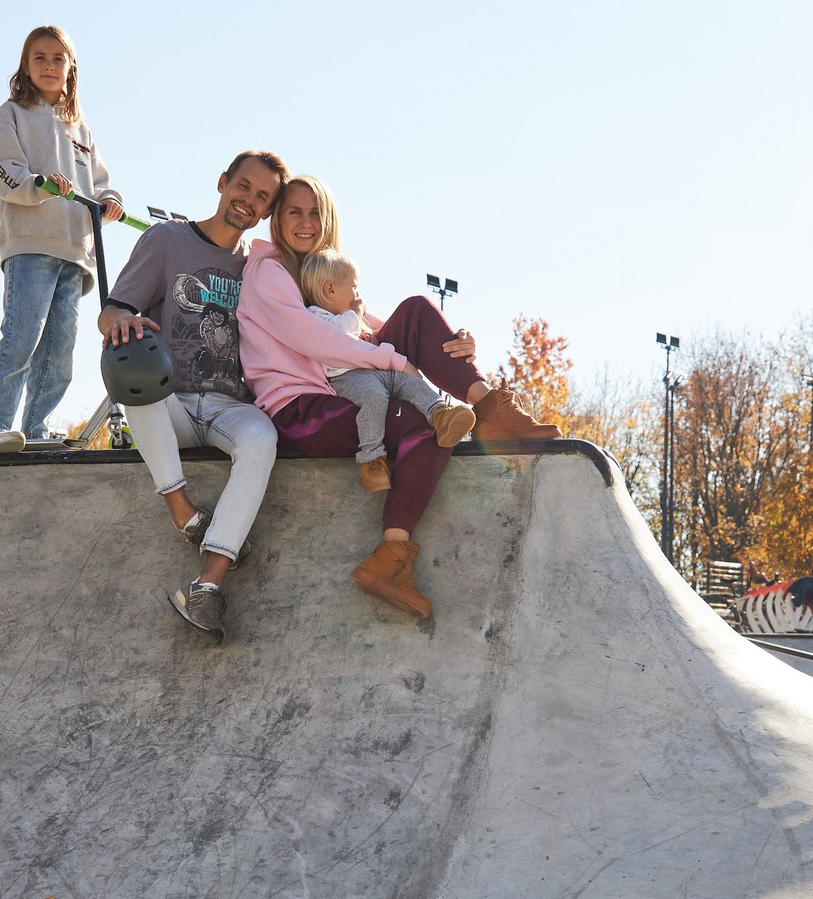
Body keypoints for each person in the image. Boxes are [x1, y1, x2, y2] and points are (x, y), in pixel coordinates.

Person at [234, 174, 558, 619]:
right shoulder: (269, 271)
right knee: (425, 418)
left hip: (341, 390)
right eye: (294, 212)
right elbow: (313, 339)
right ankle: (391, 556)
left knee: (419, 311)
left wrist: (451, 343)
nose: (305, 223)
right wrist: (394, 361)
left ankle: (489, 407)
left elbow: (371, 326)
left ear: (327, 221)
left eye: (315, 213)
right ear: (278, 220)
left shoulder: (322, 273)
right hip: (301, 408)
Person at [99, 150, 292, 641]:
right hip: (171, 404)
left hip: (231, 406)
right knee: (133, 361)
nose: (248, 200)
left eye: (262, 197)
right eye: (243, 186)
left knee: (262, 438)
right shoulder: (166, 240)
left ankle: (207, 585)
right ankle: (183, 511)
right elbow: (114, 311)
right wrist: (121, 320)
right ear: (223, 181)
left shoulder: (262, 266)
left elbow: (320, 307)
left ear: (267, 212)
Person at [0, 25, 123, 456]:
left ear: (71, 67)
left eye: (58, 58)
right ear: (25, 65)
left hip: (76, 253)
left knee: (60, 351)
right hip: (31, 245)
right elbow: (6, 173)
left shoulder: (80, 127)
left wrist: (110, 201)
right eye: (39, 57)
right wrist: (39, 185)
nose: (49, 65)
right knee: (22, 335)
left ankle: (35, 428)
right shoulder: (10, 115)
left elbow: (99, 182)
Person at [293, 248, 470, 494]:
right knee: (375, 398)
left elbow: (375, 332)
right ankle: (371, 458)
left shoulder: (353, 320)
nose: (358, 294)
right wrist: (356, 313)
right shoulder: (317, 316)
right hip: (347, 376)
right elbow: (336, 336)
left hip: (377, 370)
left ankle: (441, 415)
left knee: (411, 384)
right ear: (330, 290)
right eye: (354, 287)